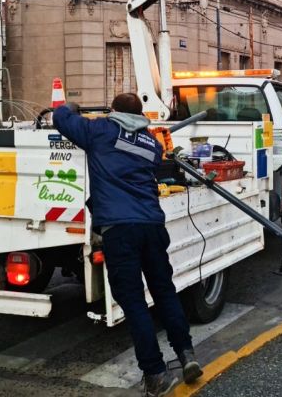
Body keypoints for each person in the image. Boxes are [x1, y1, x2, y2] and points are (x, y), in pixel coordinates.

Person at [54, 93, 201, 396]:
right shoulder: (153, 144)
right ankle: (186, 354)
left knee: (134, 302)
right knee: (164, 291)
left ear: (114, 111)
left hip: (120, 230)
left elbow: (61, 119)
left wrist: (70, 107)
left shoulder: (101, 131)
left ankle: (156, 374)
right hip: (152, 226)